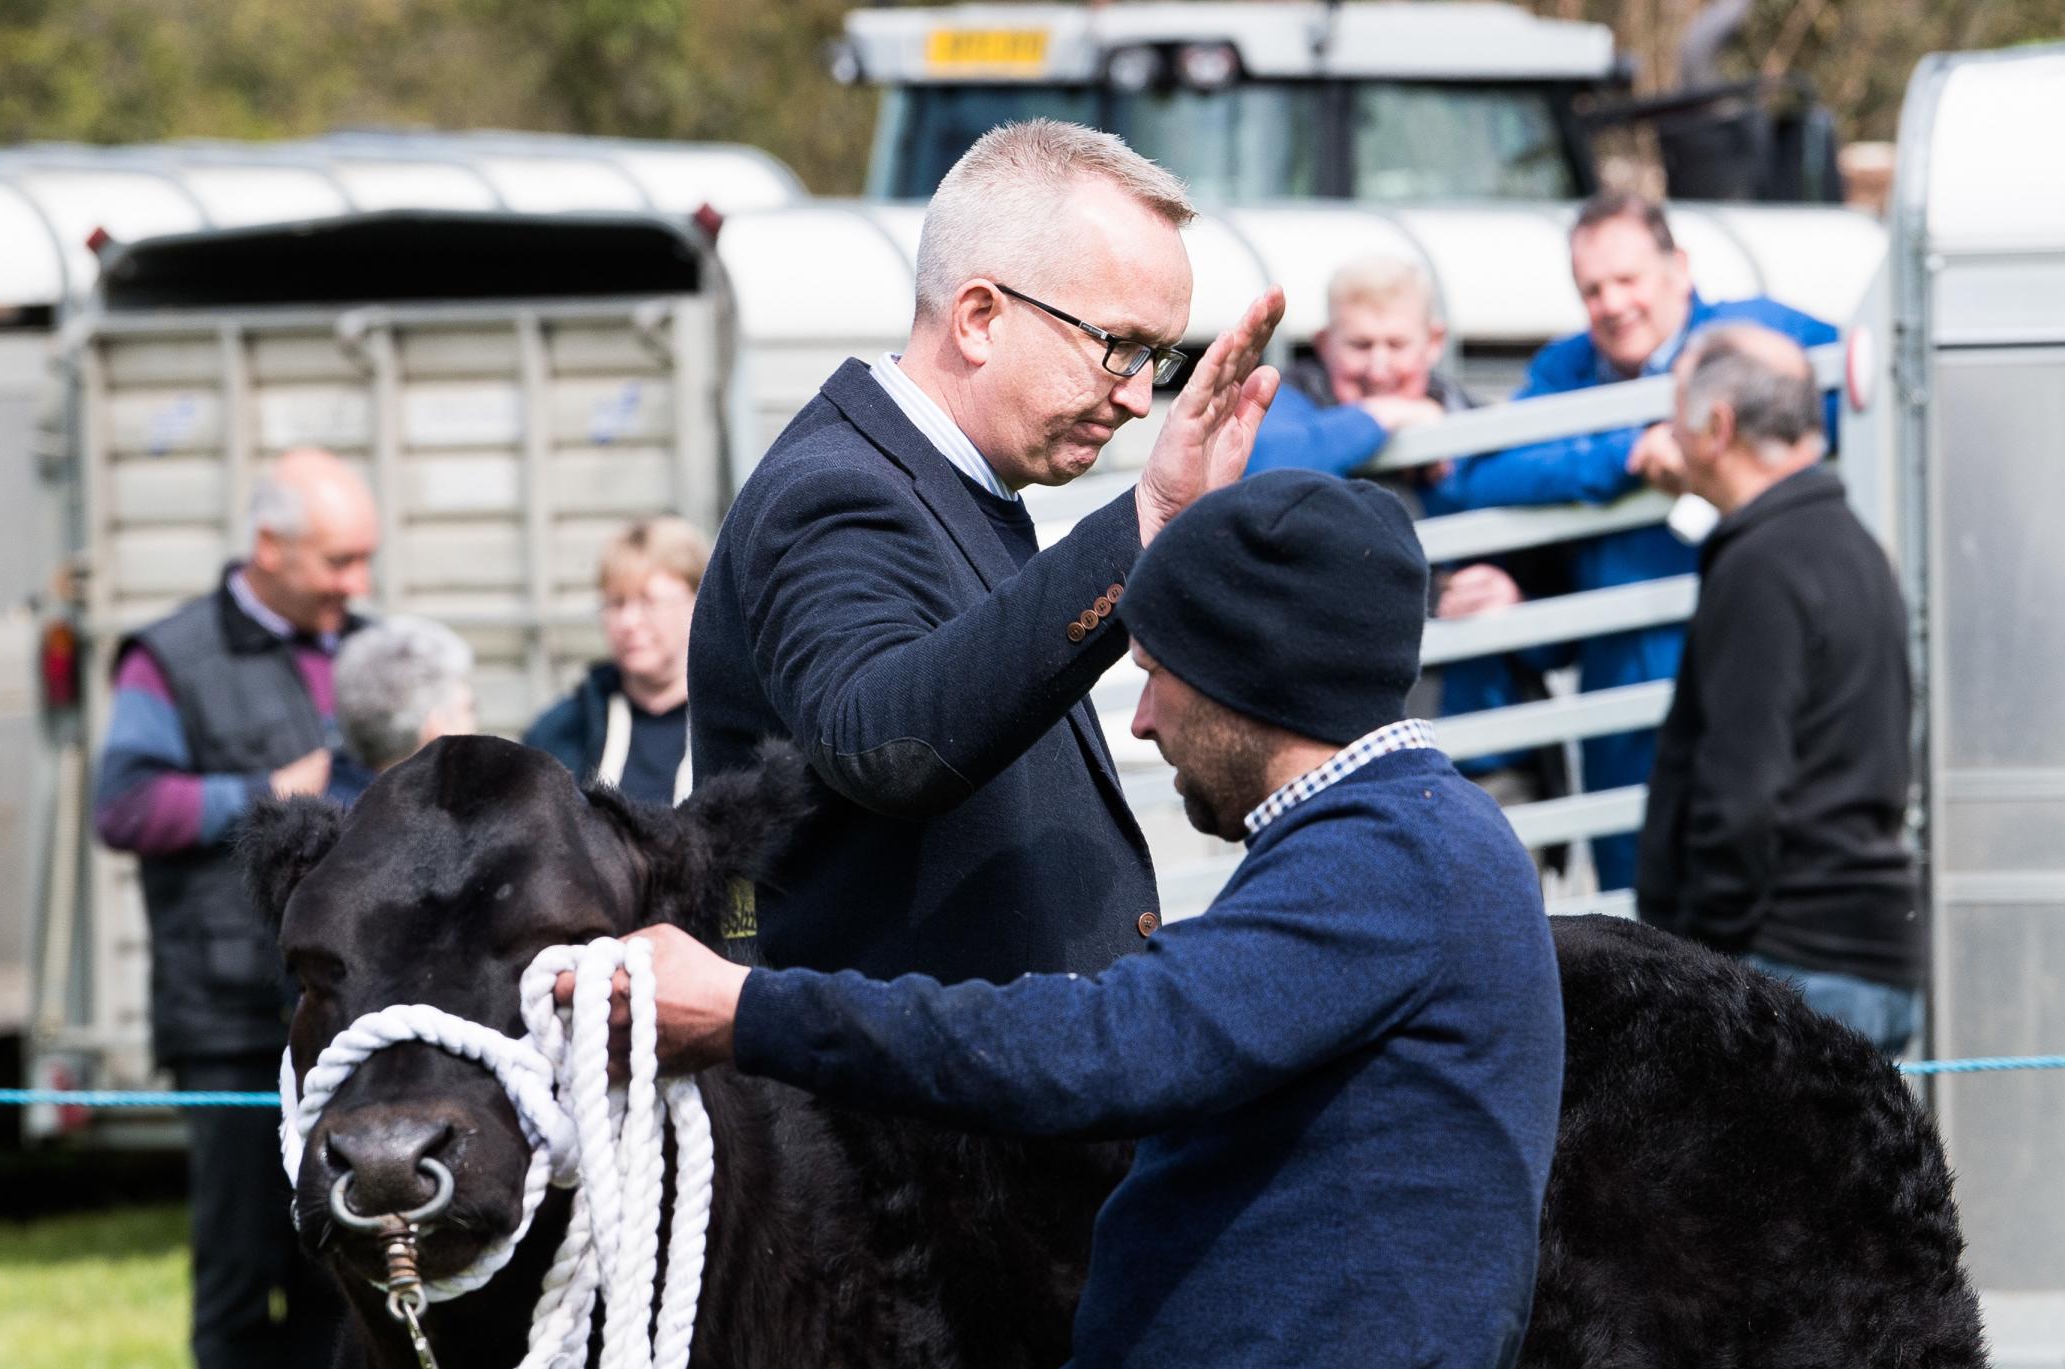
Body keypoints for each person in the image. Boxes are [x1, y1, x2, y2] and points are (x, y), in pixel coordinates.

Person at [581, 471, 1563, 1369]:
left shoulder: (1393, 862)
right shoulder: (1380, 857)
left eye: (1152, 674)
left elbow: (1099, 1046)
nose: (1141, 721)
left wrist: (748, 1009)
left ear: (1252, 672)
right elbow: (1188, 1257)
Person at [687, 119, 1283, 985]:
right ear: (978, 317)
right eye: (1118, 345)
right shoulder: (833, 491)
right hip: (882, 1114)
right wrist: (1146, 518)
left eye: (1157, 358)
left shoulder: (940, 480)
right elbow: (886, 741)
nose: (1136, 399)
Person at [91, 446, 372, 1369]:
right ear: (270, 548)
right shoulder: (167, 657)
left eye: (364, 561)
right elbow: (125, 804)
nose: (356, 585)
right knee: (238, 1266)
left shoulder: (365, 646)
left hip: (340, 1014)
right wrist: (258, 793)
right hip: (223, 1017)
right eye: (339, 561)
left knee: (331, 1260)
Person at [1428, 192, 1837, 892]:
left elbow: (1856, 385)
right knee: (1645, 933)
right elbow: (1484, 469)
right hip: (1622, 708)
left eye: (1628, 279)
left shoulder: (1756, 336)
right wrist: (1623, 453)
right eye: (1593, 288)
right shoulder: (1570, 369)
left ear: (1679, 268)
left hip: (1755, 674)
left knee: (1762, 906)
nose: (1613, 304)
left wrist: (1695, 438)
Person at [1635, 325, 1921, 1055]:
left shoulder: (1761, 566)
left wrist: (1696, 969)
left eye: (1675, 415)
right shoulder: (1849, 544)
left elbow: (1740, 797)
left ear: (1717, 427)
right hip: (1859, 957)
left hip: (1786, 967)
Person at [1243, 254, 1470, 506]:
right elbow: (1263, 465)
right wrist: (1381, 414)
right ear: (1324, 344)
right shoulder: (1288, 394)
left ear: (1434, 342)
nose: (1378, 371)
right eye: (1360, 346)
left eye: (1397, 345)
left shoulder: (1456, 404)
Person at [524, 517, 708, 804]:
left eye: (649, 601)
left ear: (698, 602)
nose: (628, 621)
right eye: (616, 603)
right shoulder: (562, 732)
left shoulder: (738, 727)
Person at [331, 614, 479, 795]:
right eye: (468, 709)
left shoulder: (319, 799)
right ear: (437, 730)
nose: (474, 729)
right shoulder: (430, 817)